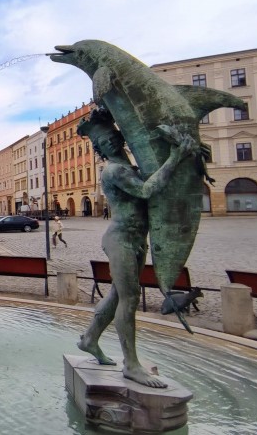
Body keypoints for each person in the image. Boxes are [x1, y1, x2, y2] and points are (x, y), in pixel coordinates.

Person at [76, 108, 194, 388]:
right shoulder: (115, 171)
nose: (110, 142)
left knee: (119, 294)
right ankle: (131, 365)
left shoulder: (131, 169)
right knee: (129, 299)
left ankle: (90, 339)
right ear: (99, 149)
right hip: (121, 239)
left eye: (112, 136)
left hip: (136, 239)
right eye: (103, 141)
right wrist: (175, 157)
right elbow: (146, 191)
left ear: (120, 137)